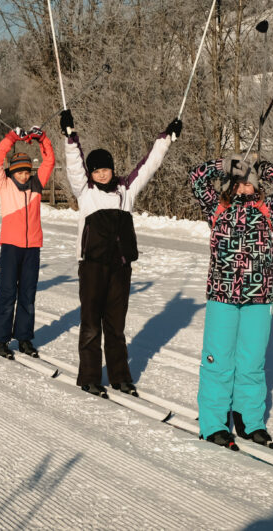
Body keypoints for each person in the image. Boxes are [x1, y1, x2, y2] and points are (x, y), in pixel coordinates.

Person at [61, 108, 180, 397]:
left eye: (106, 168)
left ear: (112, 169)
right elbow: (75, 165)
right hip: (92, 266)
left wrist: (167, 138)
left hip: (120, 267)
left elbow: (149, 165)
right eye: (97, 170)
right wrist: (69, 137)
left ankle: (120, 376)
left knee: (115, 325)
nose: (102, 174)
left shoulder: (126, 190)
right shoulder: (85, 192)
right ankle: (89, 376)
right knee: (91, 324)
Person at [189, 153, 273, 451]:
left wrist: (263, 167)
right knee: (218, 361)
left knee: (252, 363)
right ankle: (213, 423)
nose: (243, 188)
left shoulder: (267, 210)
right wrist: (225, 164)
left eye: (248, 183)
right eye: (237, 182)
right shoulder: (217, 207)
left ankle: (249, 421)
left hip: (259, 297)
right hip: (222, 296)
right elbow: (196, 177)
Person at [0, 126, 55, 359]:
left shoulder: (36, 185)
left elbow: (50, 160)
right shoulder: (4, 185)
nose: (24, 175)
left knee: (28, 294)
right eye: (19, 172)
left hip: (32, 248)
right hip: (10, 247)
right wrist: (11, 137)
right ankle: (1, 340)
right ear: (12, 172)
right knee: (7, 293)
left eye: (27, 171)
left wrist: (41, 138)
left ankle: (24, 338)